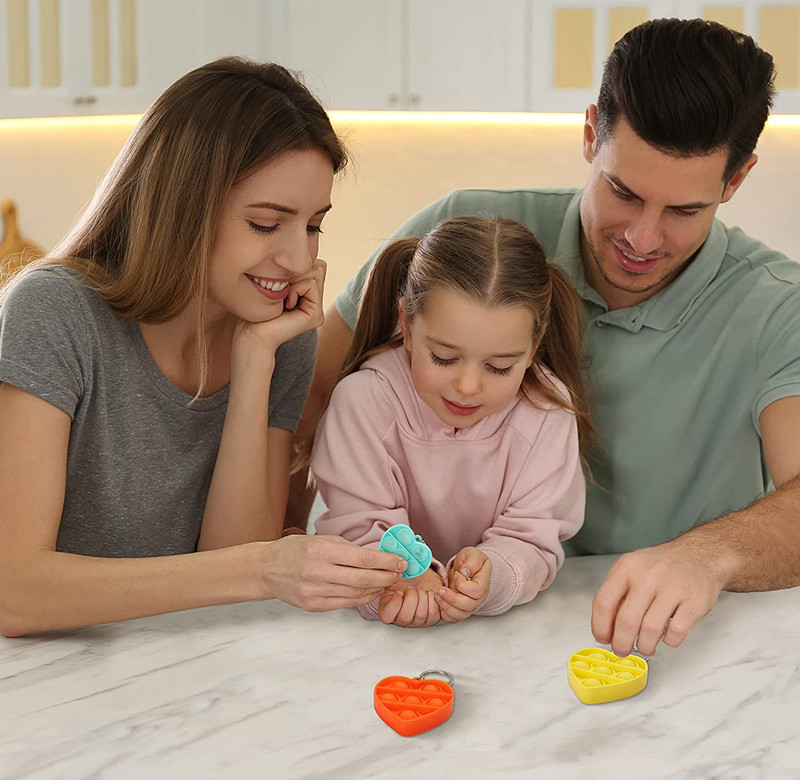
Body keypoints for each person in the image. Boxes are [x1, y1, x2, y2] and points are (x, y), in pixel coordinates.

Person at [288, 18, 800, 654]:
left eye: (684, 211)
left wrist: (706, 556)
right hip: (446, 629)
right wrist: (280, 560)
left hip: (668, 636)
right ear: (591, 134)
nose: (641, 238)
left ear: (737, 179)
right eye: (623, 191)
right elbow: (306, 402)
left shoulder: (779, 307)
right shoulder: (462, 229)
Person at [0, 58, 409, 638]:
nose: (298, 261)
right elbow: (14, 594)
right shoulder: (56, 312)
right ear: (183, 209)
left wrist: (252, 366)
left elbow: (236, 576)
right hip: (49, 680)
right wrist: (263, 568)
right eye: (267, 225)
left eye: (314, 225)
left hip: (186, 667)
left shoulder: (279, 340)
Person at [309, 216, 592, 627]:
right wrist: (395, 584)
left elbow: (533, 539)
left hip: (497, 637)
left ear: (534, 346)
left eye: (499, 367)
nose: (467, 386)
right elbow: (359, 530)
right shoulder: (364, 403)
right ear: (406, 324)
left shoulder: (547, 414)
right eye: (443, 358)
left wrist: (491, 577)